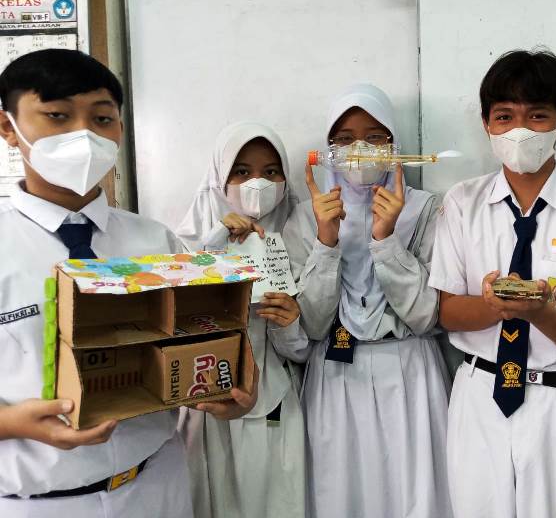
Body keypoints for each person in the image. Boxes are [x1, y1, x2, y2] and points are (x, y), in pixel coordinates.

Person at [0, 49, 256, 518]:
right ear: (7, 126)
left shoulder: (154, 241)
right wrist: (12, 422)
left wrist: (231, 396)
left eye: (102, 119)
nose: (83, 134)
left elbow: (197, 343)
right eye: (57, 116)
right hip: (38, 504)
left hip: (156, 485)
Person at [428, 50, 556, 518]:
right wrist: (494, 305)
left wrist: (540, 312)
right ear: (486, 123)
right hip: (479, 396)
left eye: (538, 115)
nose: (520, 130)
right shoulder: (462, 202)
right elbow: (448, 311)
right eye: (505, 116)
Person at [283, 83, 452, 518]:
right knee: (341, 496)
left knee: (416, 495)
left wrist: (385, 239)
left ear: (394, 145)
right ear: (327, 149)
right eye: (344, 139)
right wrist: (326, 241)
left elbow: (427, 315)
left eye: (375, 137)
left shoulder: (426, 209)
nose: (359, 150)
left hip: (410, 370)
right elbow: (311, 325)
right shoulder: (306, 217)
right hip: (336, 374)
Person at [176, 122, 309, 518]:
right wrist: (214, 243)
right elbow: (172, 317)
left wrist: (290, 325)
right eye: (242, 171)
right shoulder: (188, 241)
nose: (257, 183)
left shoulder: (299, 239)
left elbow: (303, 351)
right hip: (205, 399)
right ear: (220, 177)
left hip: (273, 400)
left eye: (271, 171)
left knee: (275, 503)